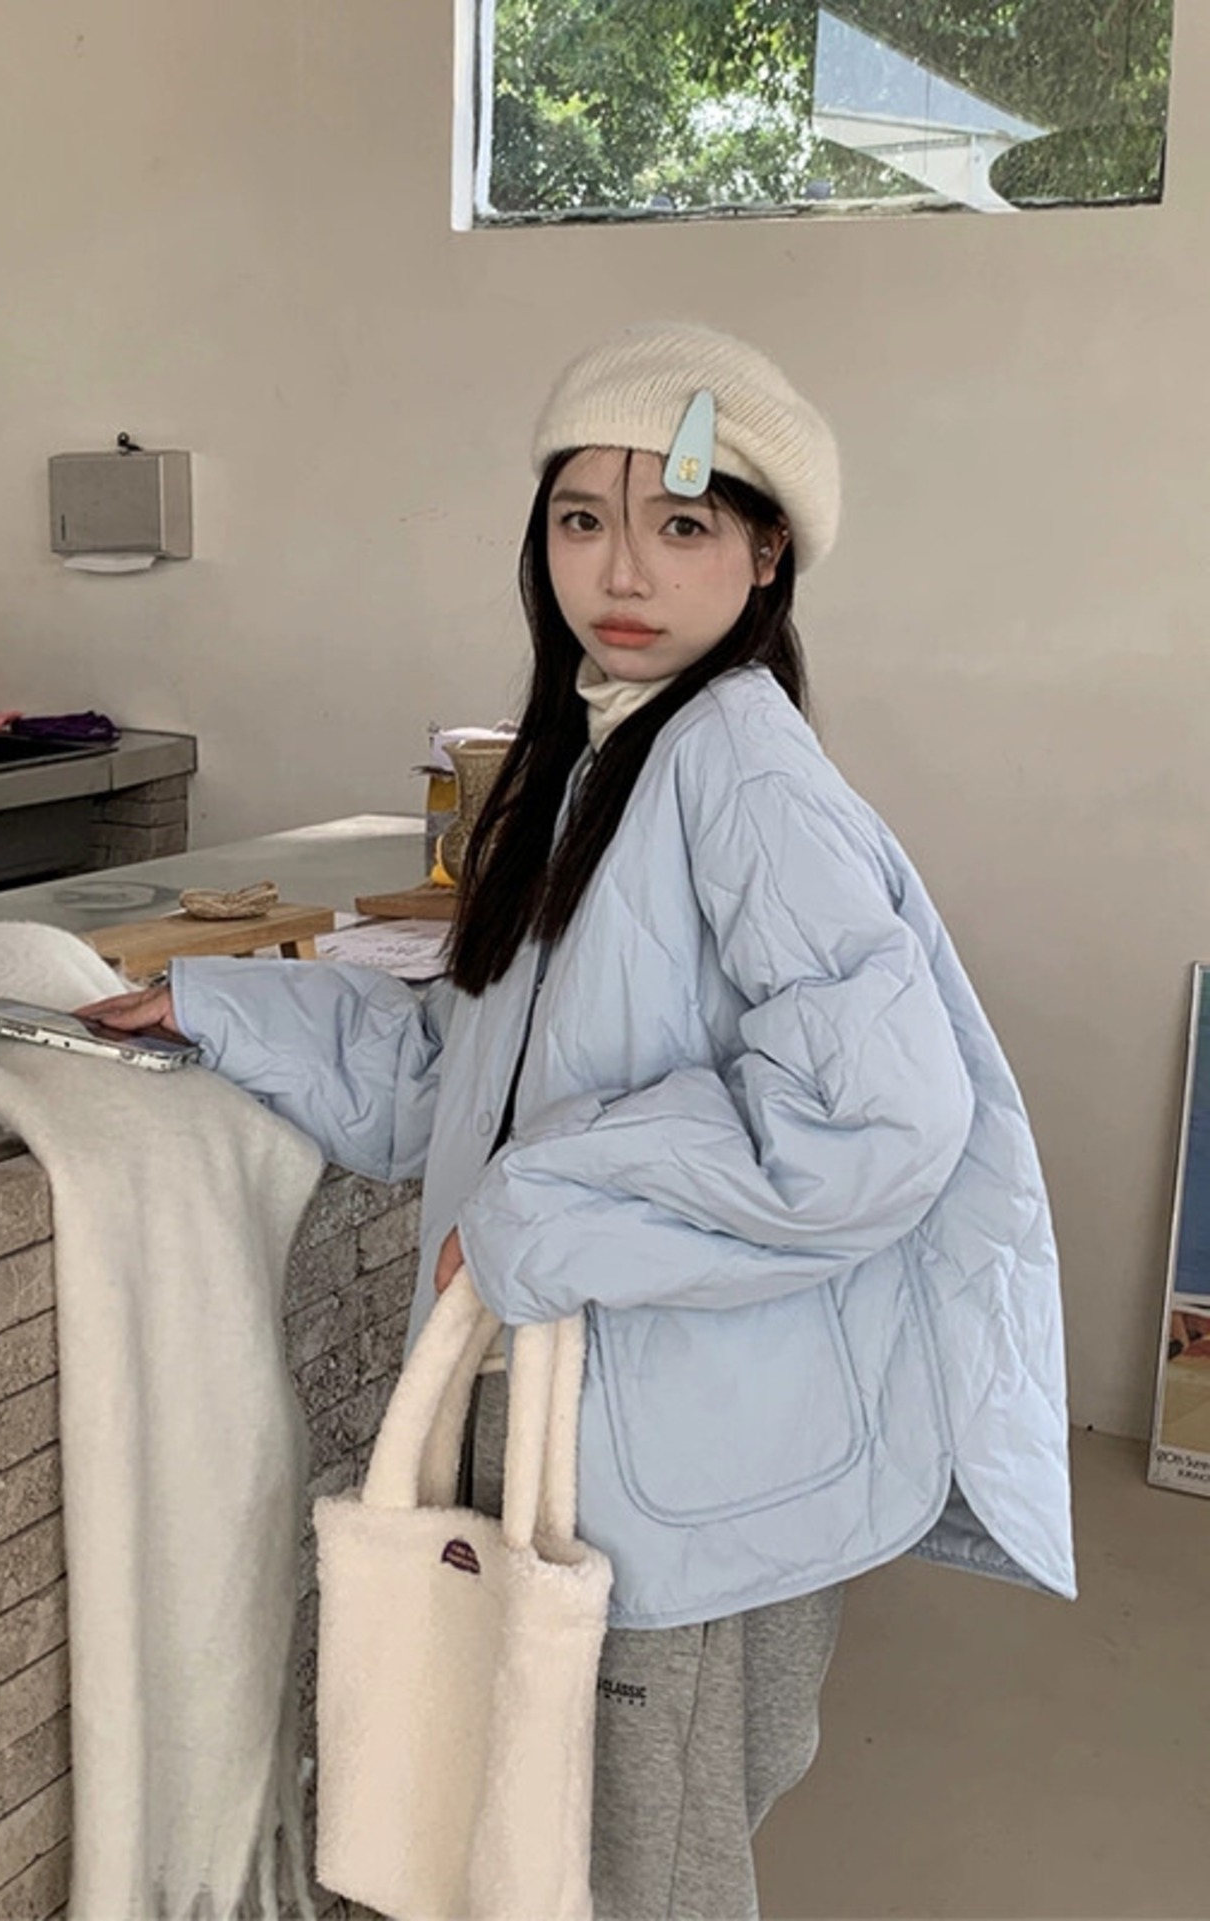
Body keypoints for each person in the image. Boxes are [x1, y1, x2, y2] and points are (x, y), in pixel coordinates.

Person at [82, 320, 1076, 1921]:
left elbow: (877, 1117)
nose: (620, 570)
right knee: (560, 1864)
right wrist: (219, 1007)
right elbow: (455, 1083)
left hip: (679, 1472)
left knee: (632, 1882)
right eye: (580, 518)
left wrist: (546, 1212)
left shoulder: (738, 768)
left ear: (766, 554)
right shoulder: (600, 755)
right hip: (625, 1447)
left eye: (680, 524)